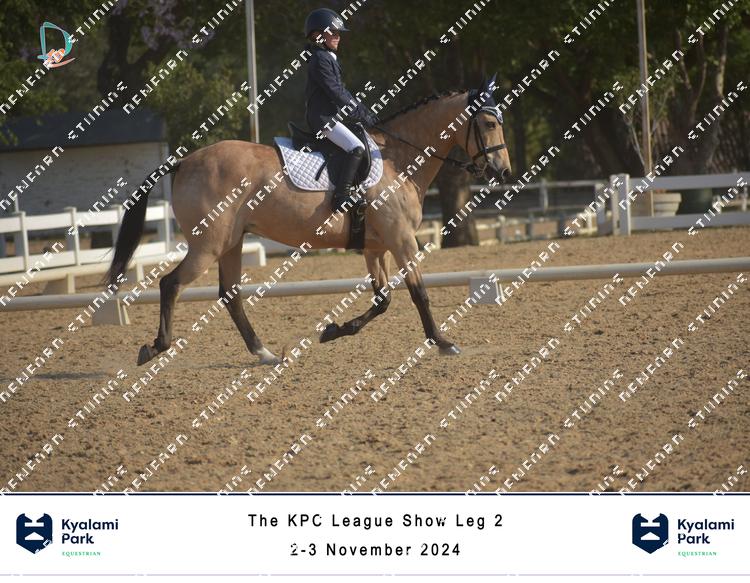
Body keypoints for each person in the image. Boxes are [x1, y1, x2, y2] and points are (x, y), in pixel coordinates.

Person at [304, 8, 379, 211]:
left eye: (339, 33)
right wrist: (360, 113)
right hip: (323, 119)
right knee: (356, 147)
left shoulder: (327, 56)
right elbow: (335, 91)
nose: (338, 37)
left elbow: (342, 91)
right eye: (334, 33)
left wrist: (363, 110)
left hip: (330, 117)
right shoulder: (320, 59)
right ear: (318, 35)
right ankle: (341, 196)